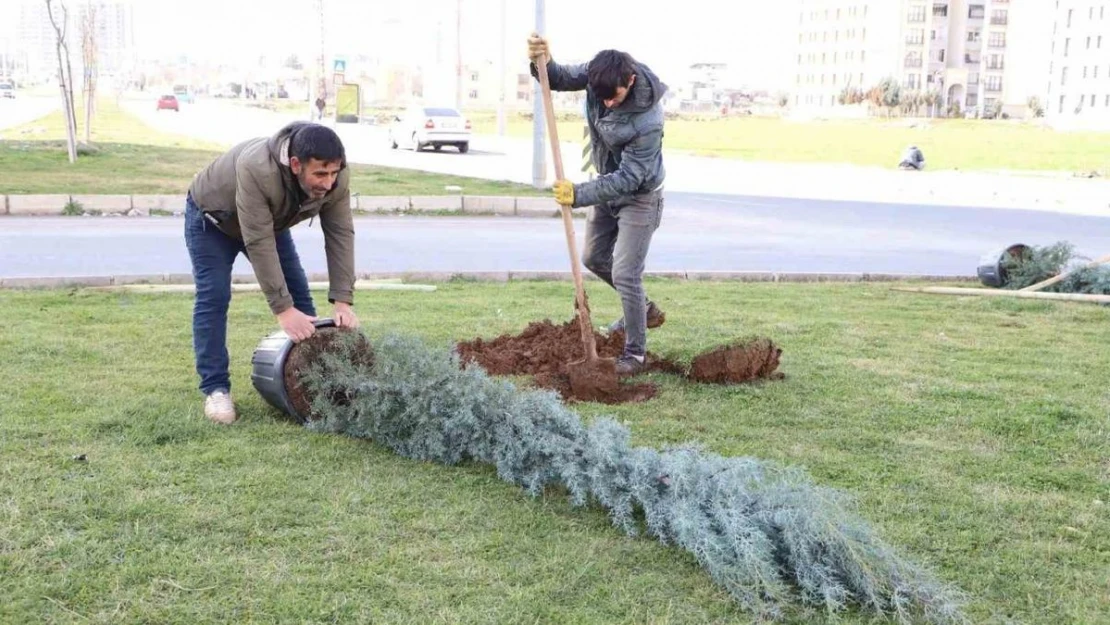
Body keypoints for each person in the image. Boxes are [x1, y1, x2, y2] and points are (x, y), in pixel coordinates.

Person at [185, 122, 359, 424]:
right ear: (295, 164)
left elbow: (340, 233)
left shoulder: (336, 176)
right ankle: (216, 389)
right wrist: (282, 309)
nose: (328, 183)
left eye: (333, 173)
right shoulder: (257, 168)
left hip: (269, 222)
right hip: (213, 221)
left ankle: (312, 381)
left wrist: (343, 300)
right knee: (214, 296)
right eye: (320, 174)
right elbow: (258, 241)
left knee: (302, 304)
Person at [528, 33, 667, 376]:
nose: (607, 104)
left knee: (625, 272)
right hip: (607, 185)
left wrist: (579, 194)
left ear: (630, 80)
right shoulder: (598, 75)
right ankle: (643, 310)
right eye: (601, 97)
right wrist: (540, 61)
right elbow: (558, 78)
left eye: (614, 98)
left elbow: (631, 177)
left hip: (639, 195)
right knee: (593, 258)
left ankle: (634, 355)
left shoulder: (648, 120)